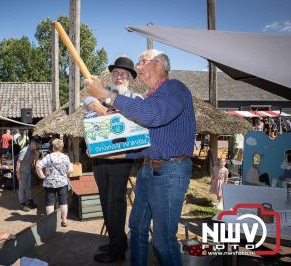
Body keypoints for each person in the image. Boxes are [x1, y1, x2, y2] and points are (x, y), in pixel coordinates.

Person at [84, 49, 196, 266]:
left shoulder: (174, 88)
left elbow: (151, 115)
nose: (138, 67)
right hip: (148, 169)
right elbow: (148, 143)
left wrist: (107, 95)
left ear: (160, 65)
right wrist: (119, 154)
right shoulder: (152, 97)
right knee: (136, 228)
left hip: (170, 172)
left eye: (143, 62)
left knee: (163, 241)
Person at [85, 56, 143, 263]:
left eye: (123, 74)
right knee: (104, 202)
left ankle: (117, 250)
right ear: (111, 76)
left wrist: (113, 112)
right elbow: (87, 100)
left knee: (116, 202)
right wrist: (103, 109)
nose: (119, 77)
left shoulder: (136, 99)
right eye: (116, 73)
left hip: (120, 159)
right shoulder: (103, 94)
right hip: (100, 157)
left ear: (130, 79)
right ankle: (116, 241)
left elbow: (137, 121)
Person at [36, 138, 72, 227]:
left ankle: (51, 223)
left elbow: (38, 165)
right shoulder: (65, 157)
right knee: (63, 202)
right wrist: (65, 174)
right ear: (62, 147)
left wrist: (42, 176)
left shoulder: (48, 157)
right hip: (62, 182)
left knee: (50, 203)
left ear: (53, 147)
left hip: (49, 183)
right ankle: (64, 221)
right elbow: (70, 170)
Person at [17, 139, 39, 211]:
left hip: (28, 171)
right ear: (32, 143)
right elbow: (19, 162)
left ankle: (30, 201)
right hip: (22, 172)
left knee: (28, 187)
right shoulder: (24, 150)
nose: (37, 146)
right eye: (36, 144)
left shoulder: (33, 151)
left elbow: (36, 159)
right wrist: (18, 173)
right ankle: (22, 204)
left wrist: (37, 153)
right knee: (22, 188)